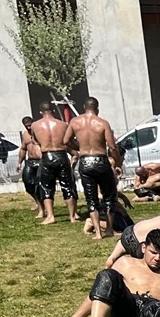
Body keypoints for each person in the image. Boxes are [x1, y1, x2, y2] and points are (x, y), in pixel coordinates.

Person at [65, 98, 121, 240]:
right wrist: (118, 163)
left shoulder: (75, 122)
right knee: (109, 196)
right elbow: (112, 146)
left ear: (84, 107)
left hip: (85, 161)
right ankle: (109, 229)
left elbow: (65, 141)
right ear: (97, 107)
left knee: (91, 198)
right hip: (100, 159)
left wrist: (79, 149)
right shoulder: (102, 123)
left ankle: (97, 232)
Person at [31, 101, 79, 225]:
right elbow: (68, 141)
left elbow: (35, 141)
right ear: (53, 110)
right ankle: (72, 216)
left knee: (46, 186)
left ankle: (50, 216)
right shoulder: (63, 124)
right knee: (67, 186)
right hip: (61, 154)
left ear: (41, 112)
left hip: (47, 155)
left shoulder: (35, 125)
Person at [19, 117, 44, 216]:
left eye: (30, 125)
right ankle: (38, 202)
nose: (29, 127)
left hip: (41, 161)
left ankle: (42, 208)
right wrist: (19, 162)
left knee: (39, 185)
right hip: (30, 161)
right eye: (26, 126)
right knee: (28, 184)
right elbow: (23, 149)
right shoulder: (25, 135)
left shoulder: (41, 132)